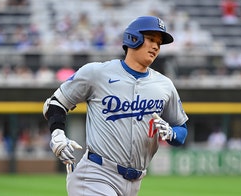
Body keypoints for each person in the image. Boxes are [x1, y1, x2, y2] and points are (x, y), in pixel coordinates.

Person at [42, 16, 188, 196]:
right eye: (151, 39)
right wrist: (57, 133)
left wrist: (172, 133)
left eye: (159, 42)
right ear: (133, 38)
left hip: (135, 182)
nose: (156, 46)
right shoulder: (97, 73)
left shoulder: (165, 85)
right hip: (96, 175)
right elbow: (55, 103)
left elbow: (181, 130)